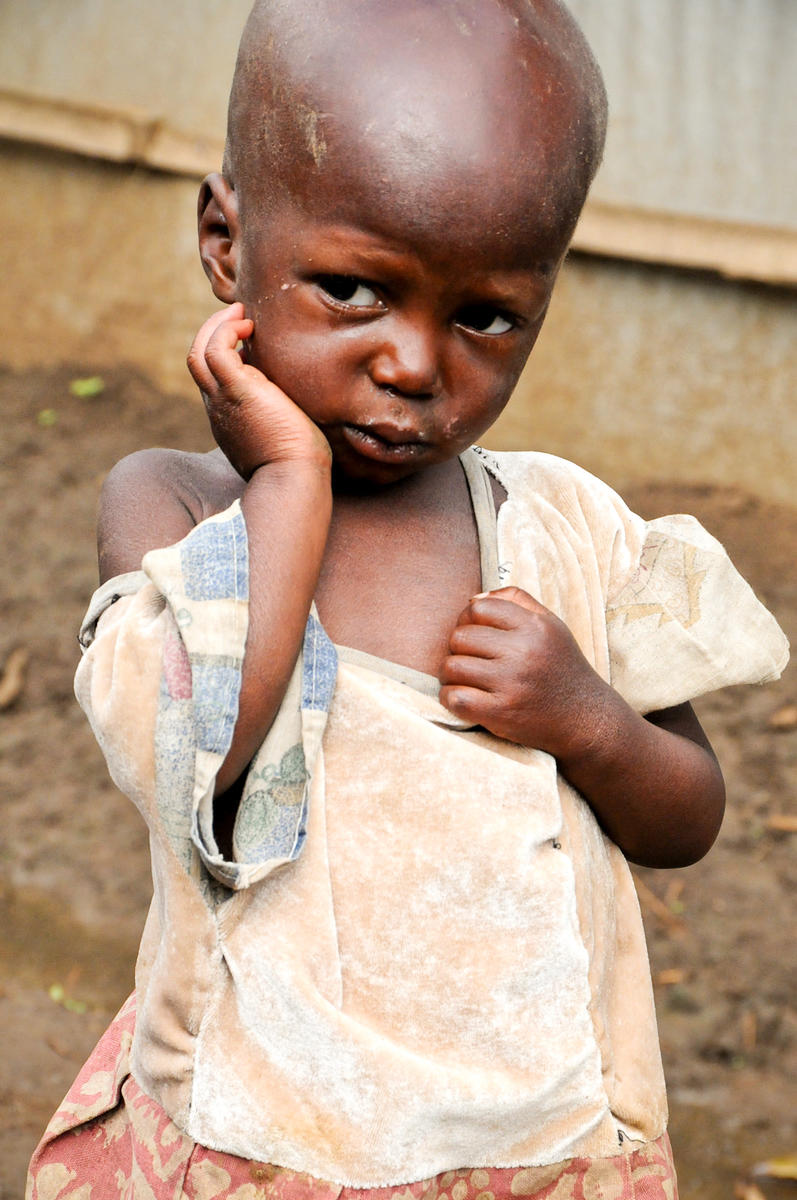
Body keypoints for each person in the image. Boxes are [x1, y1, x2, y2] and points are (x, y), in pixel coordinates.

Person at [28, 1, 788, 1197]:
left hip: (537, 1154)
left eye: (484, 315)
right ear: (227, 242)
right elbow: (202, 755)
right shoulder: (175, 511)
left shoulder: (568, 532)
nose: (416, 364)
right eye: (350, 290)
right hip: (259, 1142)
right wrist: (288, 476)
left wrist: (582, 717)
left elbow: (684, 816)